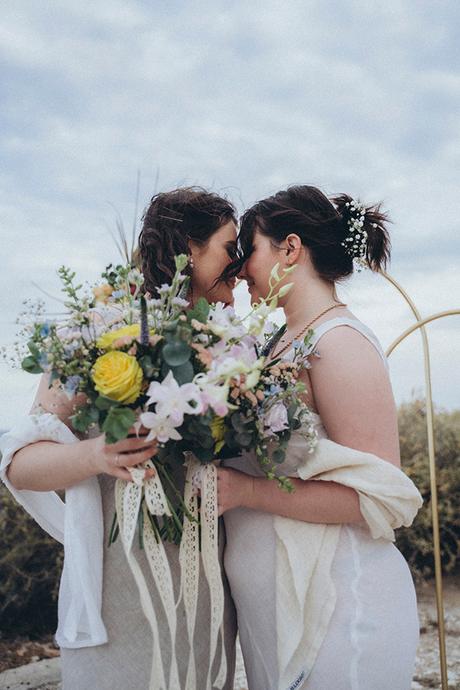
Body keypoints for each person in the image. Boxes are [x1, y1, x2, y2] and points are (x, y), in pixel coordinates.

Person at [2, 187, 238, 690]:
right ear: (190, 250)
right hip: (120, 578)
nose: (237, 265)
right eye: (228, 248)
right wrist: (95, 453)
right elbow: (20, 461)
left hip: (208, 584)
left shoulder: (232, 345)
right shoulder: (99, 332)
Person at [217, 185, 421, 690]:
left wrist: (244, 491)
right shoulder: (273, 343)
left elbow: (382, 496)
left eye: (251, 249)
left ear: (290, 249)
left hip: (341, 607)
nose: (241, 269)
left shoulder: (340, 344)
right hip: (277, 616)